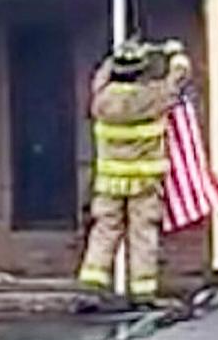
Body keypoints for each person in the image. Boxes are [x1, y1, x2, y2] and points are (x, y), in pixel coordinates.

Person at [77, 37, 191, 306]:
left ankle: (91, 288)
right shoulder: (153, 96)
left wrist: (119, 55)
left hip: (109, 182)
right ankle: (143, 291)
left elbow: (100, 76)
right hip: (144, 183)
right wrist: (173, 52)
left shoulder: (101, 99)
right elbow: (180, 75)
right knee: (143, 233)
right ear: (141, 71)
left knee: (104, 230)